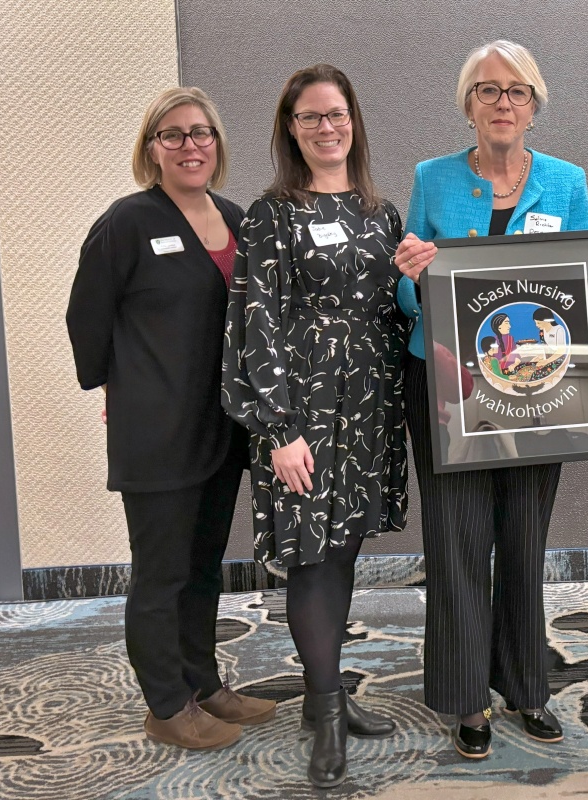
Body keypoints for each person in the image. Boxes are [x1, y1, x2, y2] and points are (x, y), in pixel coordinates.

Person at [221, 64, 434, 788]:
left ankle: (327, 696)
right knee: (310, 556)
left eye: (336, 114)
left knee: (340, 549)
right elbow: (257, 322)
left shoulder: (381, 212)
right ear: (290, 128)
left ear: (354, 121)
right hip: (303, 411)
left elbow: (401, 312)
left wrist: (419, 277)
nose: (326, 127)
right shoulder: (269, 213)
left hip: (369, 405)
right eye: (310, 117)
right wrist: (279, 431)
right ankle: (326, 717)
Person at [394, 39, 588, 759]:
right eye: (487, 90)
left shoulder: (567, 182)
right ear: (468, 104)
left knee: (522, 538)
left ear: (534, 105)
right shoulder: (432, 178)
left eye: (516, 91)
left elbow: (583, 290)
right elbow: (402, 290)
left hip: (542, 391)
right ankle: (466, 695)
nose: (502, 102)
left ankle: (527, 685)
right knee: (455, 540)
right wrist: (411, 275)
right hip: (448, 385)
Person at [66, 87, 276, 750]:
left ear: (217, 144)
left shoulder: (236, 218)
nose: (190, 146)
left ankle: (203, 684)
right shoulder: (127, 223)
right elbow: (86, 320)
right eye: (174, 134)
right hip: (156, 430)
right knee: (160, 573)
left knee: (205, 566)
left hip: (221, 429)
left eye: (201, 133)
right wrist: (123, 389)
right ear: (151, 149)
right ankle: (165, 705)